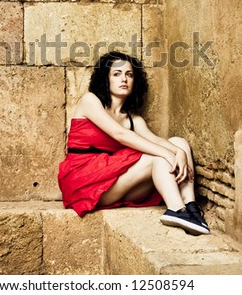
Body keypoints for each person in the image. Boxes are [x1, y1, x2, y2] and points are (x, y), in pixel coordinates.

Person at [58, 51, 210, 236]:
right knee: (158, 156)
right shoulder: (90, 101)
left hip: (117, 182)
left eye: (129, 74)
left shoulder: (134, 120)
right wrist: (167, 154)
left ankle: (191, 208)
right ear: (105, 79)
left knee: (179, 143)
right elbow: (119, 134)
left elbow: (155, 140)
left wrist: (180, 152)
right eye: (117, 74)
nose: (124, 79)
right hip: (85, 179)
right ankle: (176, 210)